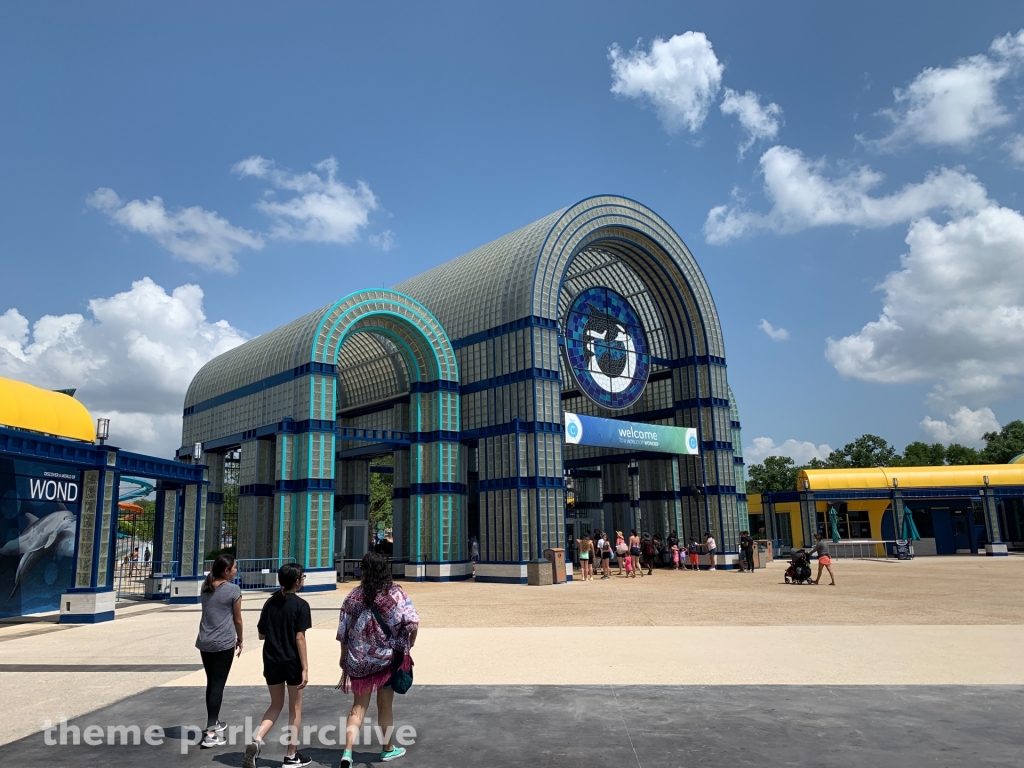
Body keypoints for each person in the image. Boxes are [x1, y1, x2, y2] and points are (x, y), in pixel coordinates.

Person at [337, 551, 420, 766]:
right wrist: (410, 643)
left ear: (363, 571)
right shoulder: (395, 594)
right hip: (387, 659)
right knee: (385, 706)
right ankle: (387, 748)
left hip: (359, 661)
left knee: (358, 707)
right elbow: (412, 622)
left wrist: (343, 656)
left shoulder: (352, 597)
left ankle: (347, 753)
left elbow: (343, 632)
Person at [242, 563, 312, 768]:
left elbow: (261, 634)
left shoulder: (270, 603)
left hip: (271, 659)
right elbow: (300, 637)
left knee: (275, 705)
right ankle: (291, 755)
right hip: (292, 661)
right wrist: (305, 667)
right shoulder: (301, 605)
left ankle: (257, 740)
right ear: (297, 581)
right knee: (295, 708)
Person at [196, 554, 243, 749]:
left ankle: (213, 721)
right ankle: (210, 733)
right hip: (223, 642)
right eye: (234, 568)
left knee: (212, 683)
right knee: (218, 684)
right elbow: (238, 619)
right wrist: (240, 639)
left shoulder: (206, 586)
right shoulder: (233, 590)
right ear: (226, 571)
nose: (236, 570)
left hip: (204, 641)